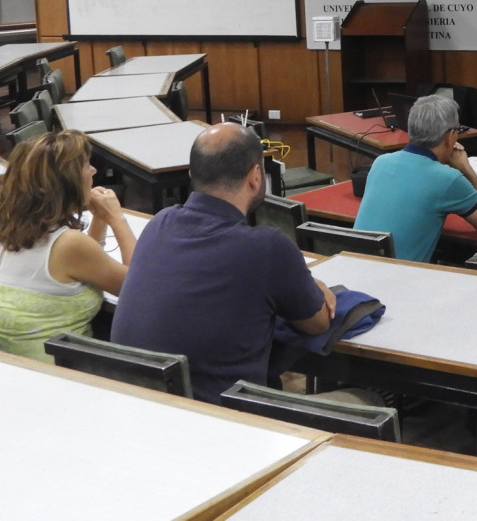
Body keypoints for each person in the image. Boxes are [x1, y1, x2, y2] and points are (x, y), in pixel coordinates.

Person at [111, 123, 336, 404]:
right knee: (365, 398)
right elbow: (317, 323)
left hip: (137, 410)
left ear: (192, 174)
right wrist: (317, 287)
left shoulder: (160, 222)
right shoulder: (267, 248)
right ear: (256, 176)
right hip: (222, 425)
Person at [0, 130, 135, 361]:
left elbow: (82, 265)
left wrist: (99, 219)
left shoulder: (2, 225)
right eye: (86, 165)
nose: (93, 171)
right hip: (63, 373)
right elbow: (139, 288)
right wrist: (117, 218)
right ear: (67, 182)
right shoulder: (68, 244)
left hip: (14, 370)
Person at [354, 94, 477, 263]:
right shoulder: (448, 179)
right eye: (457, 131)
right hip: (399, 283)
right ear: (449, 137)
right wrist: (466, 169)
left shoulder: (381, 163)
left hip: (357, 271)